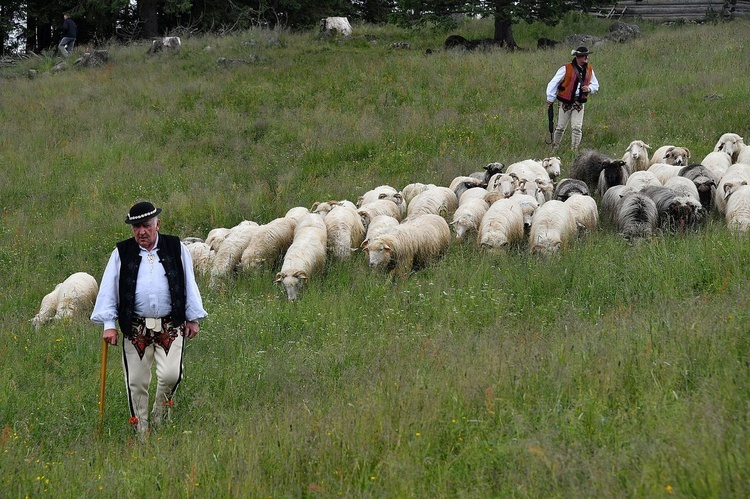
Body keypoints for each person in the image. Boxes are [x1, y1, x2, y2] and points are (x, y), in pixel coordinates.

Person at [91, 201, 207, 437]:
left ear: (157, 224)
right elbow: (109, 289)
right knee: (136, 382)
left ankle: (159, 415)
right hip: (135, 329)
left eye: (145, 225)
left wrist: (193, 317)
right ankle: (141, 431)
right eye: (136, 227)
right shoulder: (121, 252)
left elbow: (189, 283)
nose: (141, 232)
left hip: (171, 326)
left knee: (172, 375)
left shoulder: (176, 247)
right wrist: (109, 325)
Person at [545, 46, 599, 151]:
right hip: (565, 102)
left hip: (579, 102)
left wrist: (589, 88)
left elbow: (595, 85)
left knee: (577, 128)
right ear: (578, 57)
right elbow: (553, 82)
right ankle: (554, 149)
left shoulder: (589, 70)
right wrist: (550, 98)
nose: (586, 58)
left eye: (586, 55)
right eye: (584, 56)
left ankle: (573, 151)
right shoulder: (566, 68)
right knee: (560, 127)